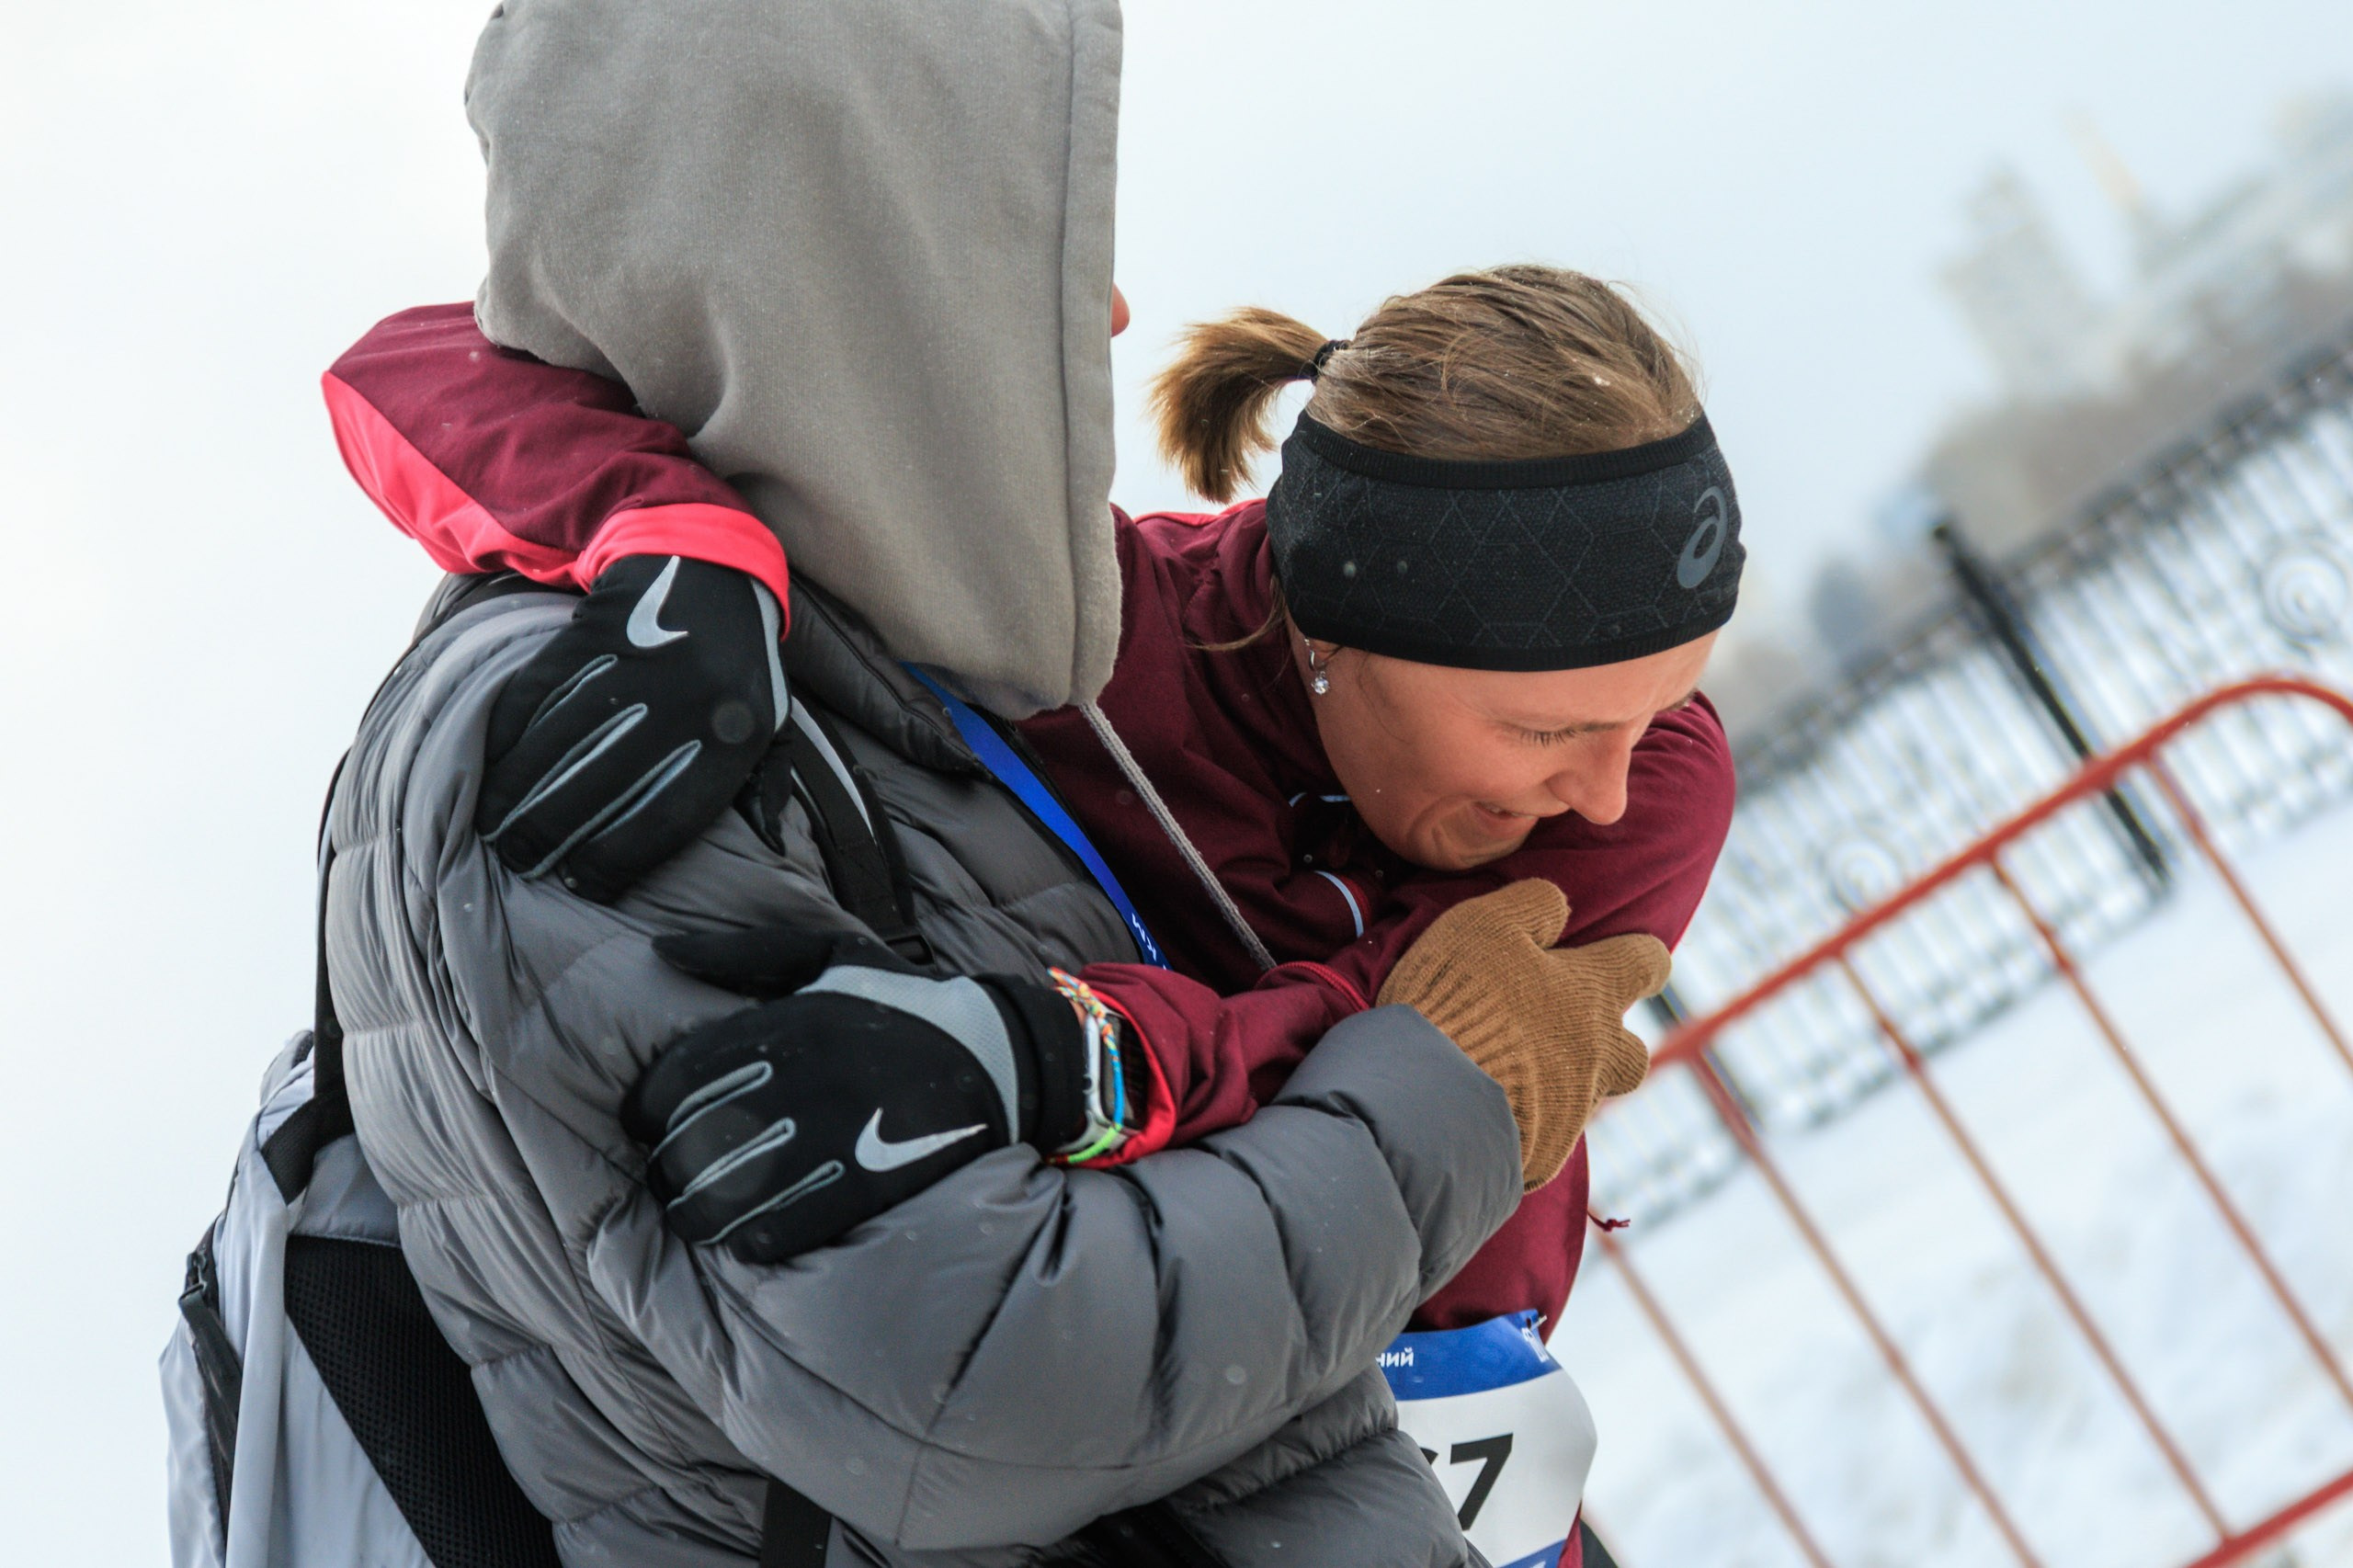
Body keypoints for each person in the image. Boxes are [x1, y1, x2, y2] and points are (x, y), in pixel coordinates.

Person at [275, 4, 1644, 1567]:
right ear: (841, 267)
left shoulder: (829, 655)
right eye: (1043, 256)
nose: (1118, 312)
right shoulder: (604, 728)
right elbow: (987, 1385)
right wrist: (1448, 1081)